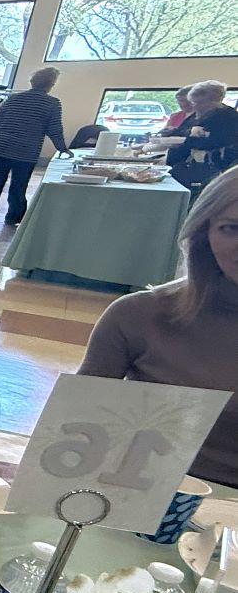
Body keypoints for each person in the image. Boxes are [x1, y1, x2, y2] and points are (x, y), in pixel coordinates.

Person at [77, 168, 238, 487]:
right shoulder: (137, 315)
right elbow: (71, 427)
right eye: (231, 228)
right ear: (204, 232)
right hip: (143, 494)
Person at [0, 66, 70, 229]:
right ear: (51, 84)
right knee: (19, 186)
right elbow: (54, 129)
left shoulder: (13, 98)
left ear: (32, 81)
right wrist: (62, 148)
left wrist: (3, 136)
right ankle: (13, 217)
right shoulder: (52, 103)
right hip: (26, 151)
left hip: (1, 148)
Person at [158, 80, 237, 191]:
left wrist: (187, 141)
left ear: (214, 101)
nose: (194, 106)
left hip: (210, 168)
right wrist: (171, 134)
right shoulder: (199, 114)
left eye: (199, 102)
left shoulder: (228, 118)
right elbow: (182, 131)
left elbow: (215, 142)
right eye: (193, 102)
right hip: (183, 166)